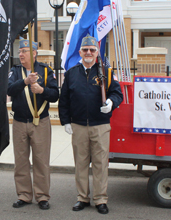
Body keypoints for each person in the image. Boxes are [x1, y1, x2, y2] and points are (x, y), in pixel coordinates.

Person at [59, 34, 123, 215]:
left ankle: (100, 199)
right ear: (80, 52)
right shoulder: (71, 73)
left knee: (100, 164)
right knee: (80, 164)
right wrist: (65, 121)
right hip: (78, 126)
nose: (88, 52)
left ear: (97, 52)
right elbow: (64, 100)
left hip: (100, 126)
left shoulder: (107, 72)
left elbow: (118, 94)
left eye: (92, 50)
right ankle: (82, 198)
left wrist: (111, 102)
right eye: (85, 50)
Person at [7, 39, 59, 210]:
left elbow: (55, 95)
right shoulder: (15, 71)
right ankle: (24, 195)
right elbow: (9, 90)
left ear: (34, 53)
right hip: (20, 122)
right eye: (20, 51)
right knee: (21, 161)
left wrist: (42, 91)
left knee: (41, 161)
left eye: (24, 51)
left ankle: (42, 196)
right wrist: (25, 82)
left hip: (40, 122)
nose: (20, 54)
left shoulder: (45, 70)